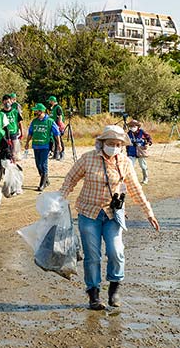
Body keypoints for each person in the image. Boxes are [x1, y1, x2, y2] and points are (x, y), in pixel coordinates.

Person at [59, 125, 159, 310]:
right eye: (111, 143)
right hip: (89, 213)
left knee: (116, 251)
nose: (114, 147)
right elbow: (70, 179)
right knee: (92, 256)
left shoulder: (125, 162)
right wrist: (58, 200)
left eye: (118, 144)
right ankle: (93, 294)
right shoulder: (88, 158)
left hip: (114, 215)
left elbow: (135, 189)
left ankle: (114, 289)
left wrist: (149, 213)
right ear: (102, 143)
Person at [24, 103, 61, 191]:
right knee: (38, 165)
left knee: (43, 164)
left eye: (36, 110)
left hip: (45, 146)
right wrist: (27, 143)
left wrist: (59, 144)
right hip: (35, 146)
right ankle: (46, 180)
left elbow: (57, 134)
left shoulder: (50, 121)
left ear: (41, 111)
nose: (35, 112)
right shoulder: (34, 121)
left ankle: (42, 184)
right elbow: (30, 133)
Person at [126, 119, 152, 184]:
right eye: (131, 126)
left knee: (143, 166)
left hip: (140, 152)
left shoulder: (142, 132)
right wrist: (127, 151)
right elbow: (126, 143)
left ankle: (145, 178)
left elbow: (149, 138)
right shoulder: (128, 133)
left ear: (137, 126)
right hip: (131, 152)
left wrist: (147, 144)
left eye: (134, 126)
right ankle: (131, 180)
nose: (132, 127)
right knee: (130, 167)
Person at [1, 94, 24, 162]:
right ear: (2, 102)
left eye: (8, 101)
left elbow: (19, 122)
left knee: (14, 152)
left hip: (14, 133)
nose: (7, 103)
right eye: (5, 102)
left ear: (11, 102)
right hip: (4, 134)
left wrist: (22, 133)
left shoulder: (15, 112)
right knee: (6, 151)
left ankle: (13, 166)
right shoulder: (1, 113)